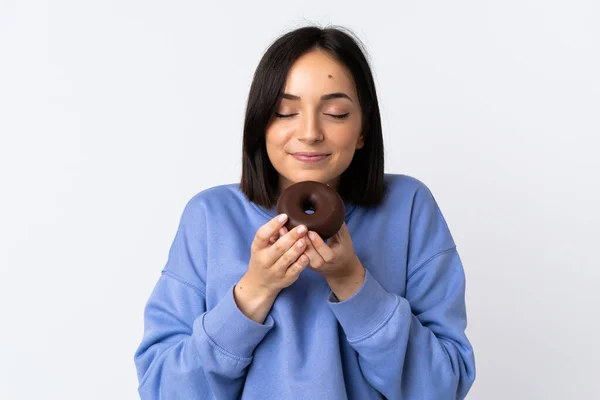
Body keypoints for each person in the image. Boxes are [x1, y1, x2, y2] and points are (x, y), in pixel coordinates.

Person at [133, 25, 476, 399]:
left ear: (363, 129)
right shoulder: (210, 216)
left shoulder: (408, 208)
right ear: (261, 123)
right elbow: (163, 388)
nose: (310, 132)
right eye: (285, 112)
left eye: (336, 113)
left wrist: (352, 282)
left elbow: (444, 387)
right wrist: (254, 291)